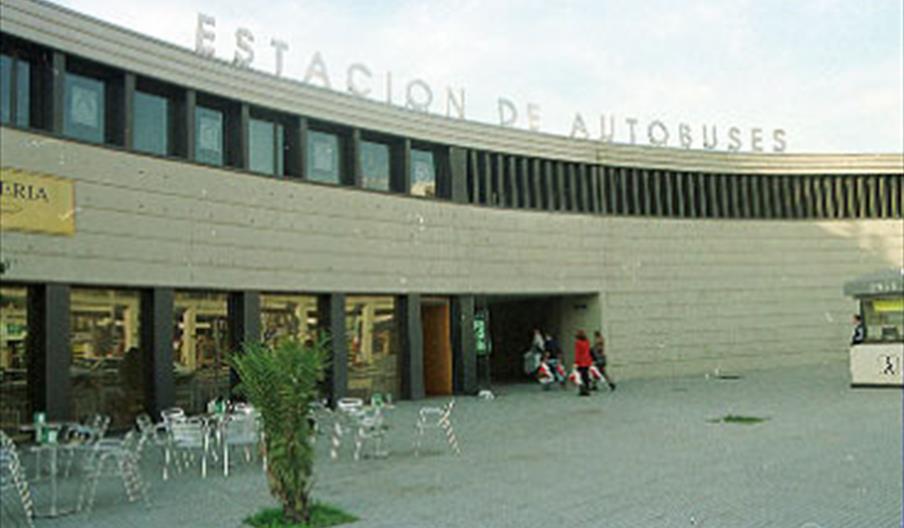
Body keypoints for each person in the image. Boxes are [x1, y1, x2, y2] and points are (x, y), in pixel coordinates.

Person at [573, 330, 593, 396]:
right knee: (586, 376)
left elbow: (577, 353)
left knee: (580, 376)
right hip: (587, 361)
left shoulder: (578, 343)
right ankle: (587, 389)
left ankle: (582, 390)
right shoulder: (587, 342)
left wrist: (576, 362)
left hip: (581, 361)